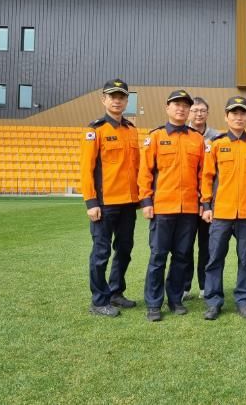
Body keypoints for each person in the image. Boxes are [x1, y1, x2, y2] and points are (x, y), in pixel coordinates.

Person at [200, 96, 246, 320]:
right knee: (215, 258)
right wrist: (206, 205)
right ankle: (213, 302)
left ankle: (243, 301)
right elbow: (207, 177)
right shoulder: (216, 144)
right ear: (226, 116)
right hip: (221, 212)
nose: (238, 117)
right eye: (234, 113)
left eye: (242, 113)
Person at [139, 89, 205, 322]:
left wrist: (204, 202)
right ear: (167, 108)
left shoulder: (197, 139)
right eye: (177, 104)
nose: (181, 109)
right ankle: (153, 303)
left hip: (188, 209)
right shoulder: (155, 137)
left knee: (182, 256)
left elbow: (203, 175)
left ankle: (175, 299)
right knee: (158, 256)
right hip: (162, 208)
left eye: (185, 106)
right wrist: (146, 201)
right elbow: (145, 172)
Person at [80, 79, 140, 317]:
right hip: (105, 204)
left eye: (121, 97)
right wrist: (91, 202)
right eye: (112, 96)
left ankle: (116, 292)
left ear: (126, 101)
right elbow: (86, 170)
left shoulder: (131, 130)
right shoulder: (95, 130)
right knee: (101, 253)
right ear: (103, 99)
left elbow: (136, 167)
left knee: (124, 250)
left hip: (128, 204)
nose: (117, 100)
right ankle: (98, 300)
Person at [183, 97, 220, 300]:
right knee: (185, 246)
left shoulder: (218, 137)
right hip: (187, 202)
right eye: (195, 110)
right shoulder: (182, 134)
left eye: (202, 110)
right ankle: (184, 287)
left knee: (207, 246)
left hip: (209, 203)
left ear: (208, 113)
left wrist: (207, 202)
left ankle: (206, 286)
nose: (198, 114)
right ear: (189, 112)